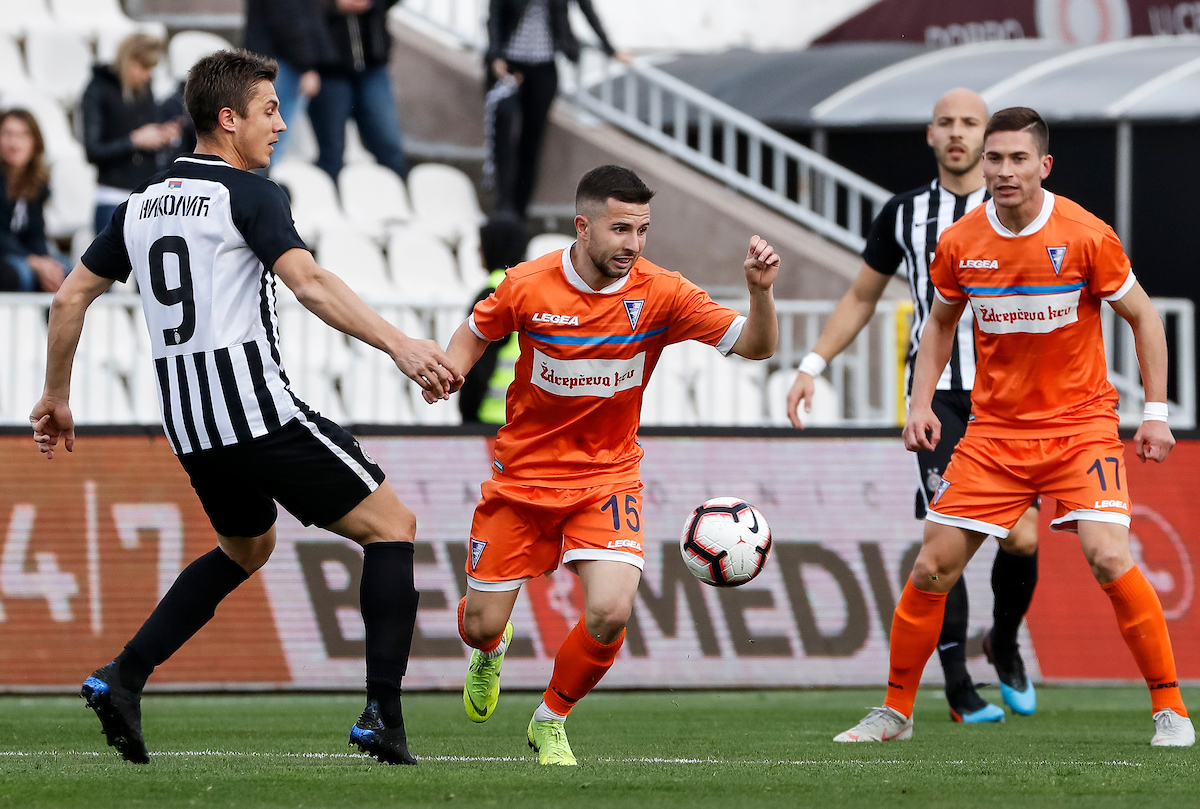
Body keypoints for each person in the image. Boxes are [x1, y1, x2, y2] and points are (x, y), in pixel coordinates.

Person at [30, 50, 459, 765]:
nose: (281, 125)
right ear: (228, 120)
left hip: (191, 426)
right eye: (269, 110)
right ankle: (383, 714)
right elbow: (309, 283)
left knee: (248, 546)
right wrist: (399, 344)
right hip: (255, 412)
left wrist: (55, 394)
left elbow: (70, 296)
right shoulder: (250, 195)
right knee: (393, 527)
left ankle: (124, 676)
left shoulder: (138, 204)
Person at [836, 107, 1194, 747]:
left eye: (1018, 159)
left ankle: (1171, 710)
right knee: (932, 567)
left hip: (1081, 428)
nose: (1004, 170)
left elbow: (1144, 317)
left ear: (1043, 165)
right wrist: (919, 404)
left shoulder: (1086, 234)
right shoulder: (961, 242)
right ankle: (895, 712)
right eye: (995, 158)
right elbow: (939, 324)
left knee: (1109, 556)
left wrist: (1157, 414)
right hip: (995, 435)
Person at [431, 164, 779, 764]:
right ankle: (490, 648)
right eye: (620, 229)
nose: (633, 244)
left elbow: (757, 346)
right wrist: (451, 370)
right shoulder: (527, 284)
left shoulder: (662, 292)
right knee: (480, 625)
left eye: (642, 230)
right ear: (582, 226)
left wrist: (760, 291)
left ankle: (551, 719)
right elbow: (476, 329)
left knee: (611, 610)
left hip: (607, 478)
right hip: (522, 480)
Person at [786, 89, 1038, 723]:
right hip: (938, 396)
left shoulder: (1024, 208)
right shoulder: (905, 213)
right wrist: (812, 365)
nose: (957, 133)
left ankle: (1004, 640)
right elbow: (861, 297)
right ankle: (958, 687)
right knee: (947, 537)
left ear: (988, 137)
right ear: (930, 134)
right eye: (946, 122)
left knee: (1023, 538)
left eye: (970, 123)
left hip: (1013, 397)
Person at [486, 0, 626, 218]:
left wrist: (610, 48)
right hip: (509, 65)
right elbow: (494, 14)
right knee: (504, 138)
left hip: (543, 68)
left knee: (531, 144)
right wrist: (495, 55)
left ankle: (519, 213)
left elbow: (586, 8)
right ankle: (502, 207)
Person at [82, 33, 185, 236]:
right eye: (144, 68)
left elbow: (151, 127)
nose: (148, 75)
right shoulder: (97, 90)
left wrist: (163, 133)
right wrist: (133, 141)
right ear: (129, 60)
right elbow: (92, 151)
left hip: (147, 197)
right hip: (112, 197)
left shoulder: (145, 89)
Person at [309, 0, 408, 181]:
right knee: (332, 152)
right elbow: (293, 8)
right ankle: (328, 197)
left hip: (373, 66)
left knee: (389, 146)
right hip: (328, 69)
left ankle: (396, 195)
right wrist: (333, 5)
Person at [243, 0, 336, 164]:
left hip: (271, 61)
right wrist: (307, 66)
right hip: (283, 64)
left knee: (264, 141)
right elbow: (289, 19)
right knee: (271, 142)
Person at [457, 217, 529, 424]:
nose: (477, 250)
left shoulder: (493, 295)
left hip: (490, 419)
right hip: (525, 417)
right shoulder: (531, 289)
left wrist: (468, 414)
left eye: (482, 243)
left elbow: (477, 363)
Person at [0, 109, 66, 293]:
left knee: (67, 272)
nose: (14, 143)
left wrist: (45, 263)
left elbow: (37, 234)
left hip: (23, 255)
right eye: (7, 134)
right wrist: (33, 261)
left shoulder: (37, 182)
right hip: (7, 257)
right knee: (21, 274)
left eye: (23, 135)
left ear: (35, 142)